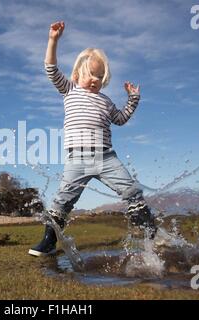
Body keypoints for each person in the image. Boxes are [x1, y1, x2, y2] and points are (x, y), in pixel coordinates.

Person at [28, 21, 157, 257]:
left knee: (131, 191)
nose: (95, 79)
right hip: (77, 159)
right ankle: (49, 239)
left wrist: (133, 99)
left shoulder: (106, 101)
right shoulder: (70, 90)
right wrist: (53, 40)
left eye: (100, 76)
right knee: (63, 200)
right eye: (91, 74)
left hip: (106, 157)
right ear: (77, 74)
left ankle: (149, 227)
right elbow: (50, 68)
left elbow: (120, 119)